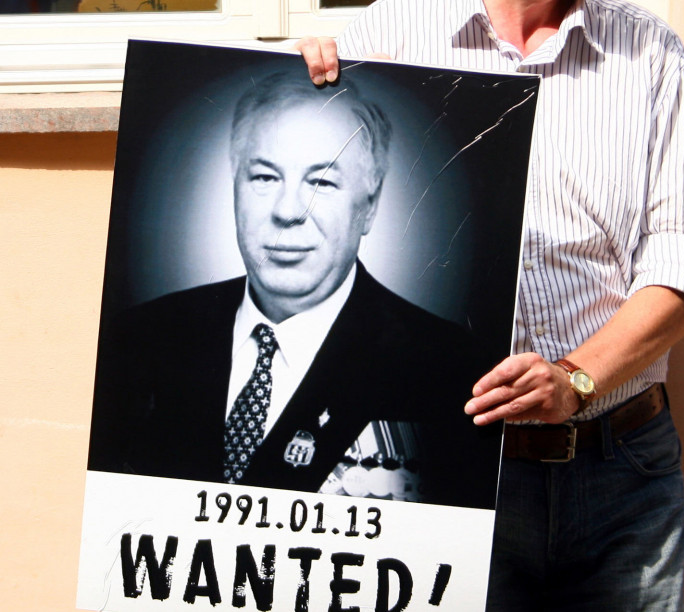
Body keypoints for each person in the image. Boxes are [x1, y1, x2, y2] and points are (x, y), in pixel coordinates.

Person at [296, 0, 684, 609]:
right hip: (447, 465)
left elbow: (682, 274)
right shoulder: (391, 28)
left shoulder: (649, 52)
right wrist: (300, 81)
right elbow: (321, 189)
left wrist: (575, 380)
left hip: (620, 469)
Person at [87, 70, 503, 510]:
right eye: (265, 178)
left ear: (370, 206)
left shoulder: (449, 367)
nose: (288, 211)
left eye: (321, 182)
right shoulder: (138, 338)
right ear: (234, 188)